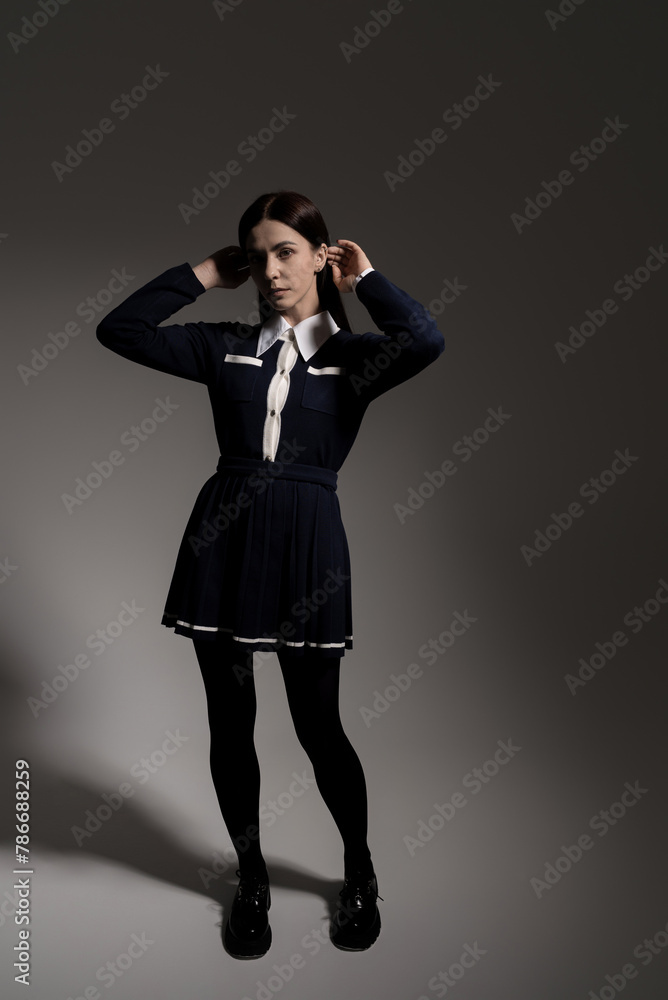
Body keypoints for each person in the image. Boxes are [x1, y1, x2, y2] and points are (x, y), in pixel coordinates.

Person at [96, 190, 444, 958]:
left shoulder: (356, 358)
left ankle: (359, 871)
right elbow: (119, 330)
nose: (272, 270)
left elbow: (425, 339)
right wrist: (201, 274)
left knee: (319, 726)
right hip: (224, 537)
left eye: (286, 251)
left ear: (321, 254)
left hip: (308, 543)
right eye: (258, 257)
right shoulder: (224, 346)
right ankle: (250, 878)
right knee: (231, 722)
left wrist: (367, 280)